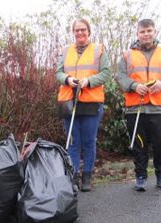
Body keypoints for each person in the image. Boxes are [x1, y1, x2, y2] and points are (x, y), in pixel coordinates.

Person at [115, 19, 161, 192]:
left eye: (149, 31)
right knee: (139, 144)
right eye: (143, 31)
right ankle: (141, 177)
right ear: (137, 34)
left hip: (160, 107)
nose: (146, 34)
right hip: (135, 108)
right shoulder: (126, 55)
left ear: (155, 32)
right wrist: (134, 86)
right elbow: (120, 76)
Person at [56, 18, 110, 192]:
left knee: (88, 142)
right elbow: (58, 72)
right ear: (73, 32)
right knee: (73, 142)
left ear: (89, 31)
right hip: (69, 102)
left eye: (83, 29)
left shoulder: (98, 50)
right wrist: (67, 79)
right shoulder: (65, 51)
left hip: (91, 103)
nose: (80, 33)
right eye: (77, 30)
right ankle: (73, 177)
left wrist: (89, 81)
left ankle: (86, 177)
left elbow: (106, 73)